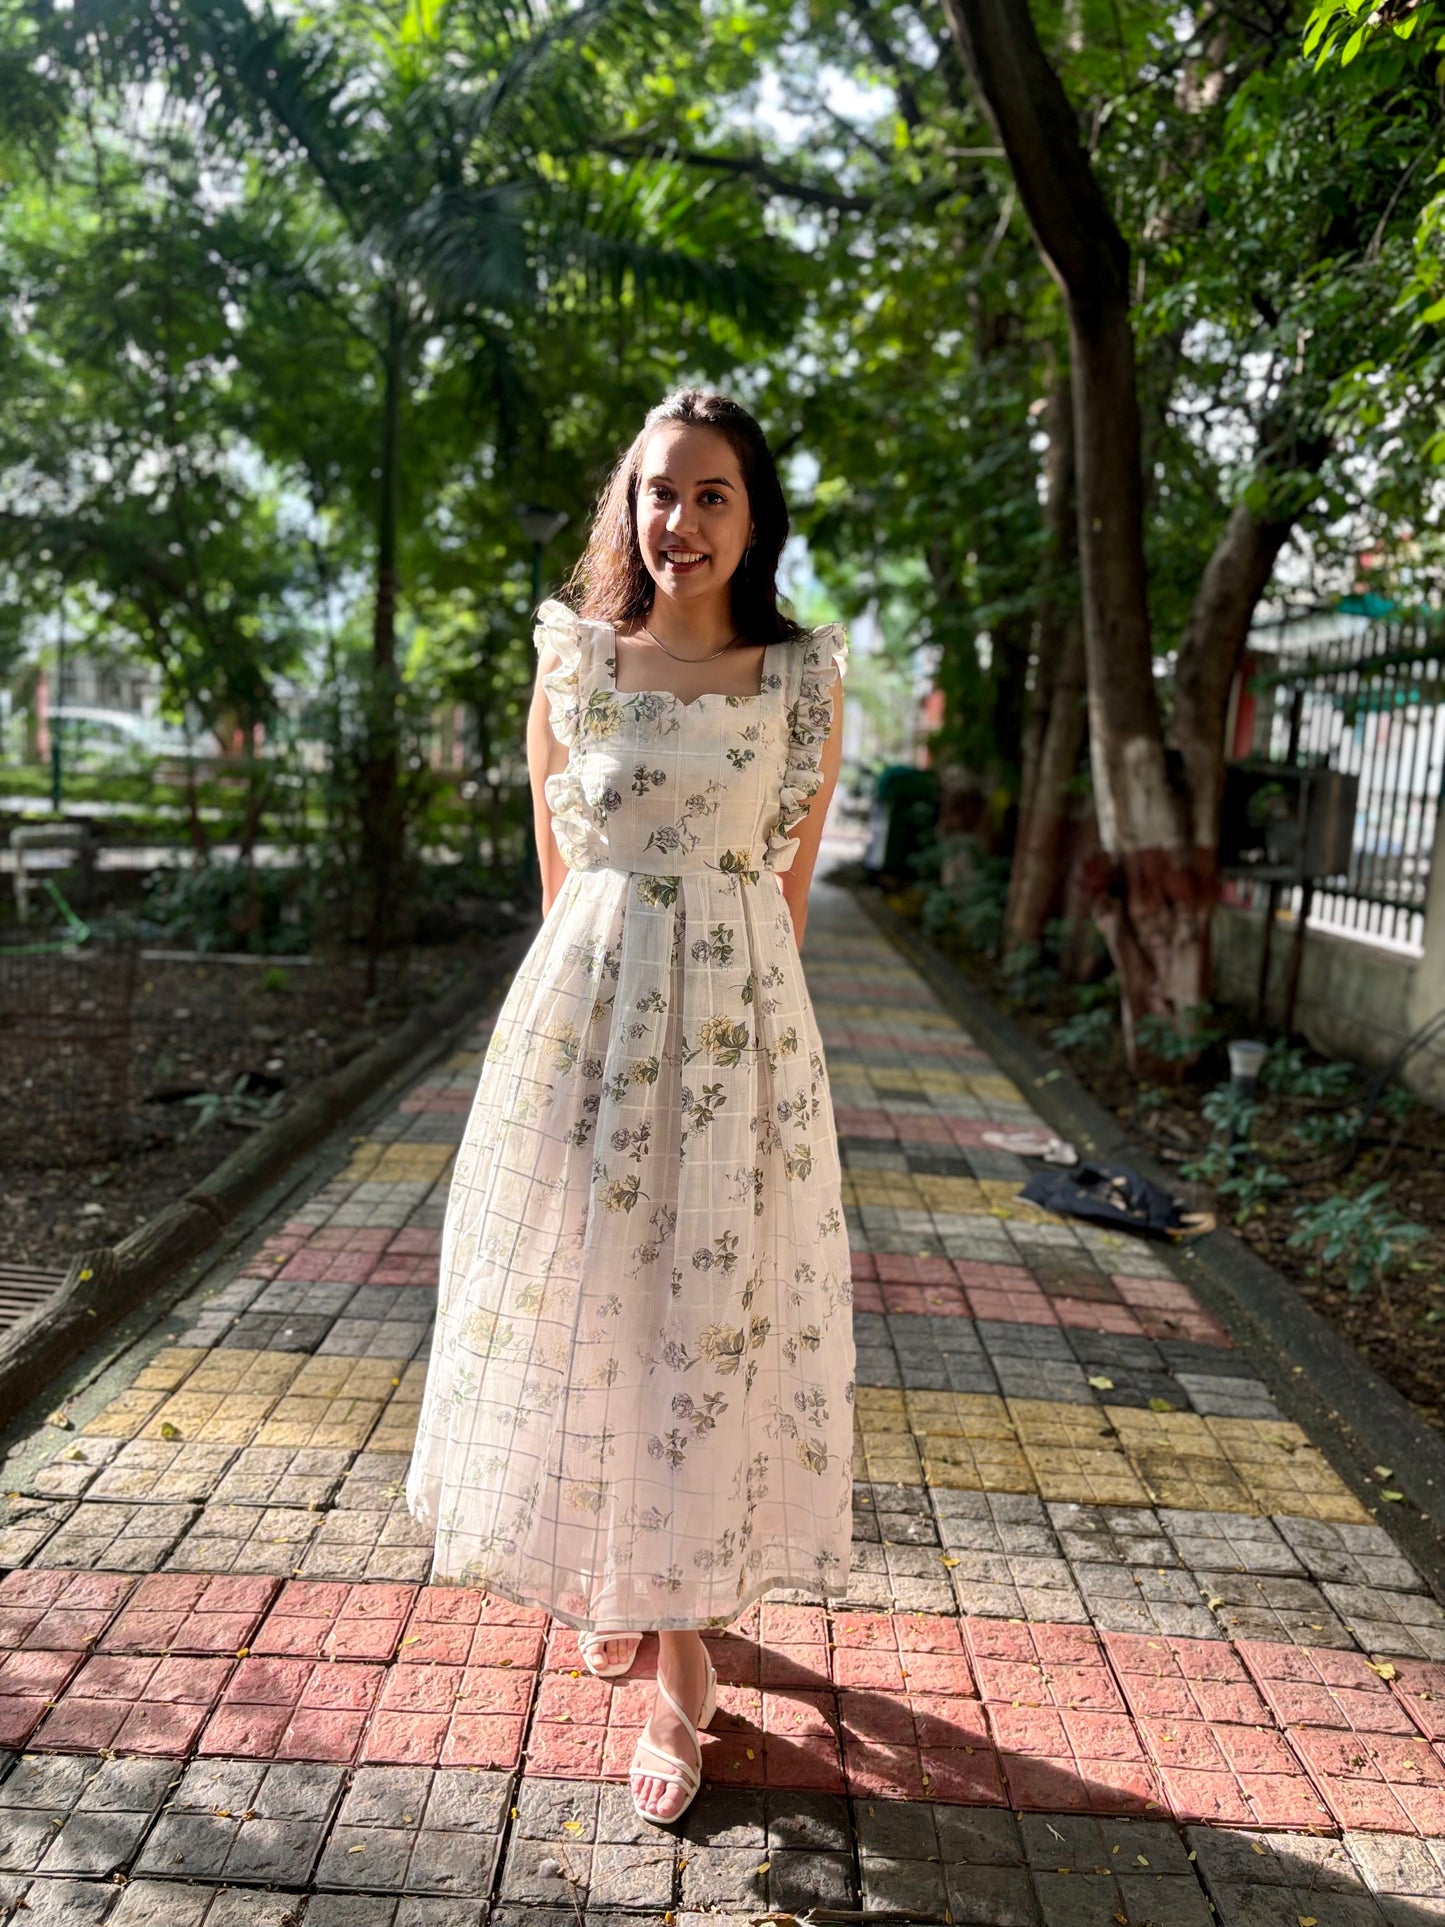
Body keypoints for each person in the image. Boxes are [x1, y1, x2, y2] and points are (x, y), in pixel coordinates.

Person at [406, 388, 854, 1825]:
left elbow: (784, 894)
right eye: (658, 493)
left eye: (711, 494)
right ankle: (613, 1563)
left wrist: (758, 1052)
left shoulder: (800, 682)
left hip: (740, 1035)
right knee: (599, 1303)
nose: (681, 521)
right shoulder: (577, 663)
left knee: (703, 1322)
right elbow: (560, 872)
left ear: (753, 513)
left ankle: (681, 1659)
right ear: (630, 508)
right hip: (585, 1019)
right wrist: (576, 1045)